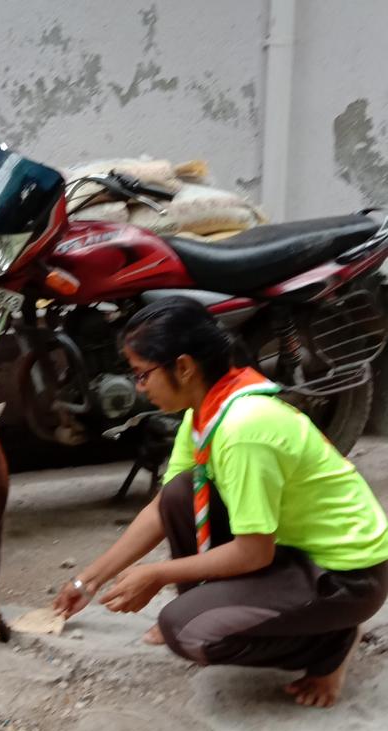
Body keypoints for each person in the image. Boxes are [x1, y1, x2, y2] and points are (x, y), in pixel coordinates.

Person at [54, 296, 388, 707]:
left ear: (183, 366)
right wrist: (86, 581)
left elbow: (253, 553)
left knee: (187, 633)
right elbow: (162, 509)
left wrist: (157, 574)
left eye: (143, 375)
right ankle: (212, 607)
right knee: (178, 494)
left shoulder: (244, 428)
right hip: (294, 552)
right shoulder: (207, 412)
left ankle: (330, 644)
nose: (140, 388)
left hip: (347, 575)